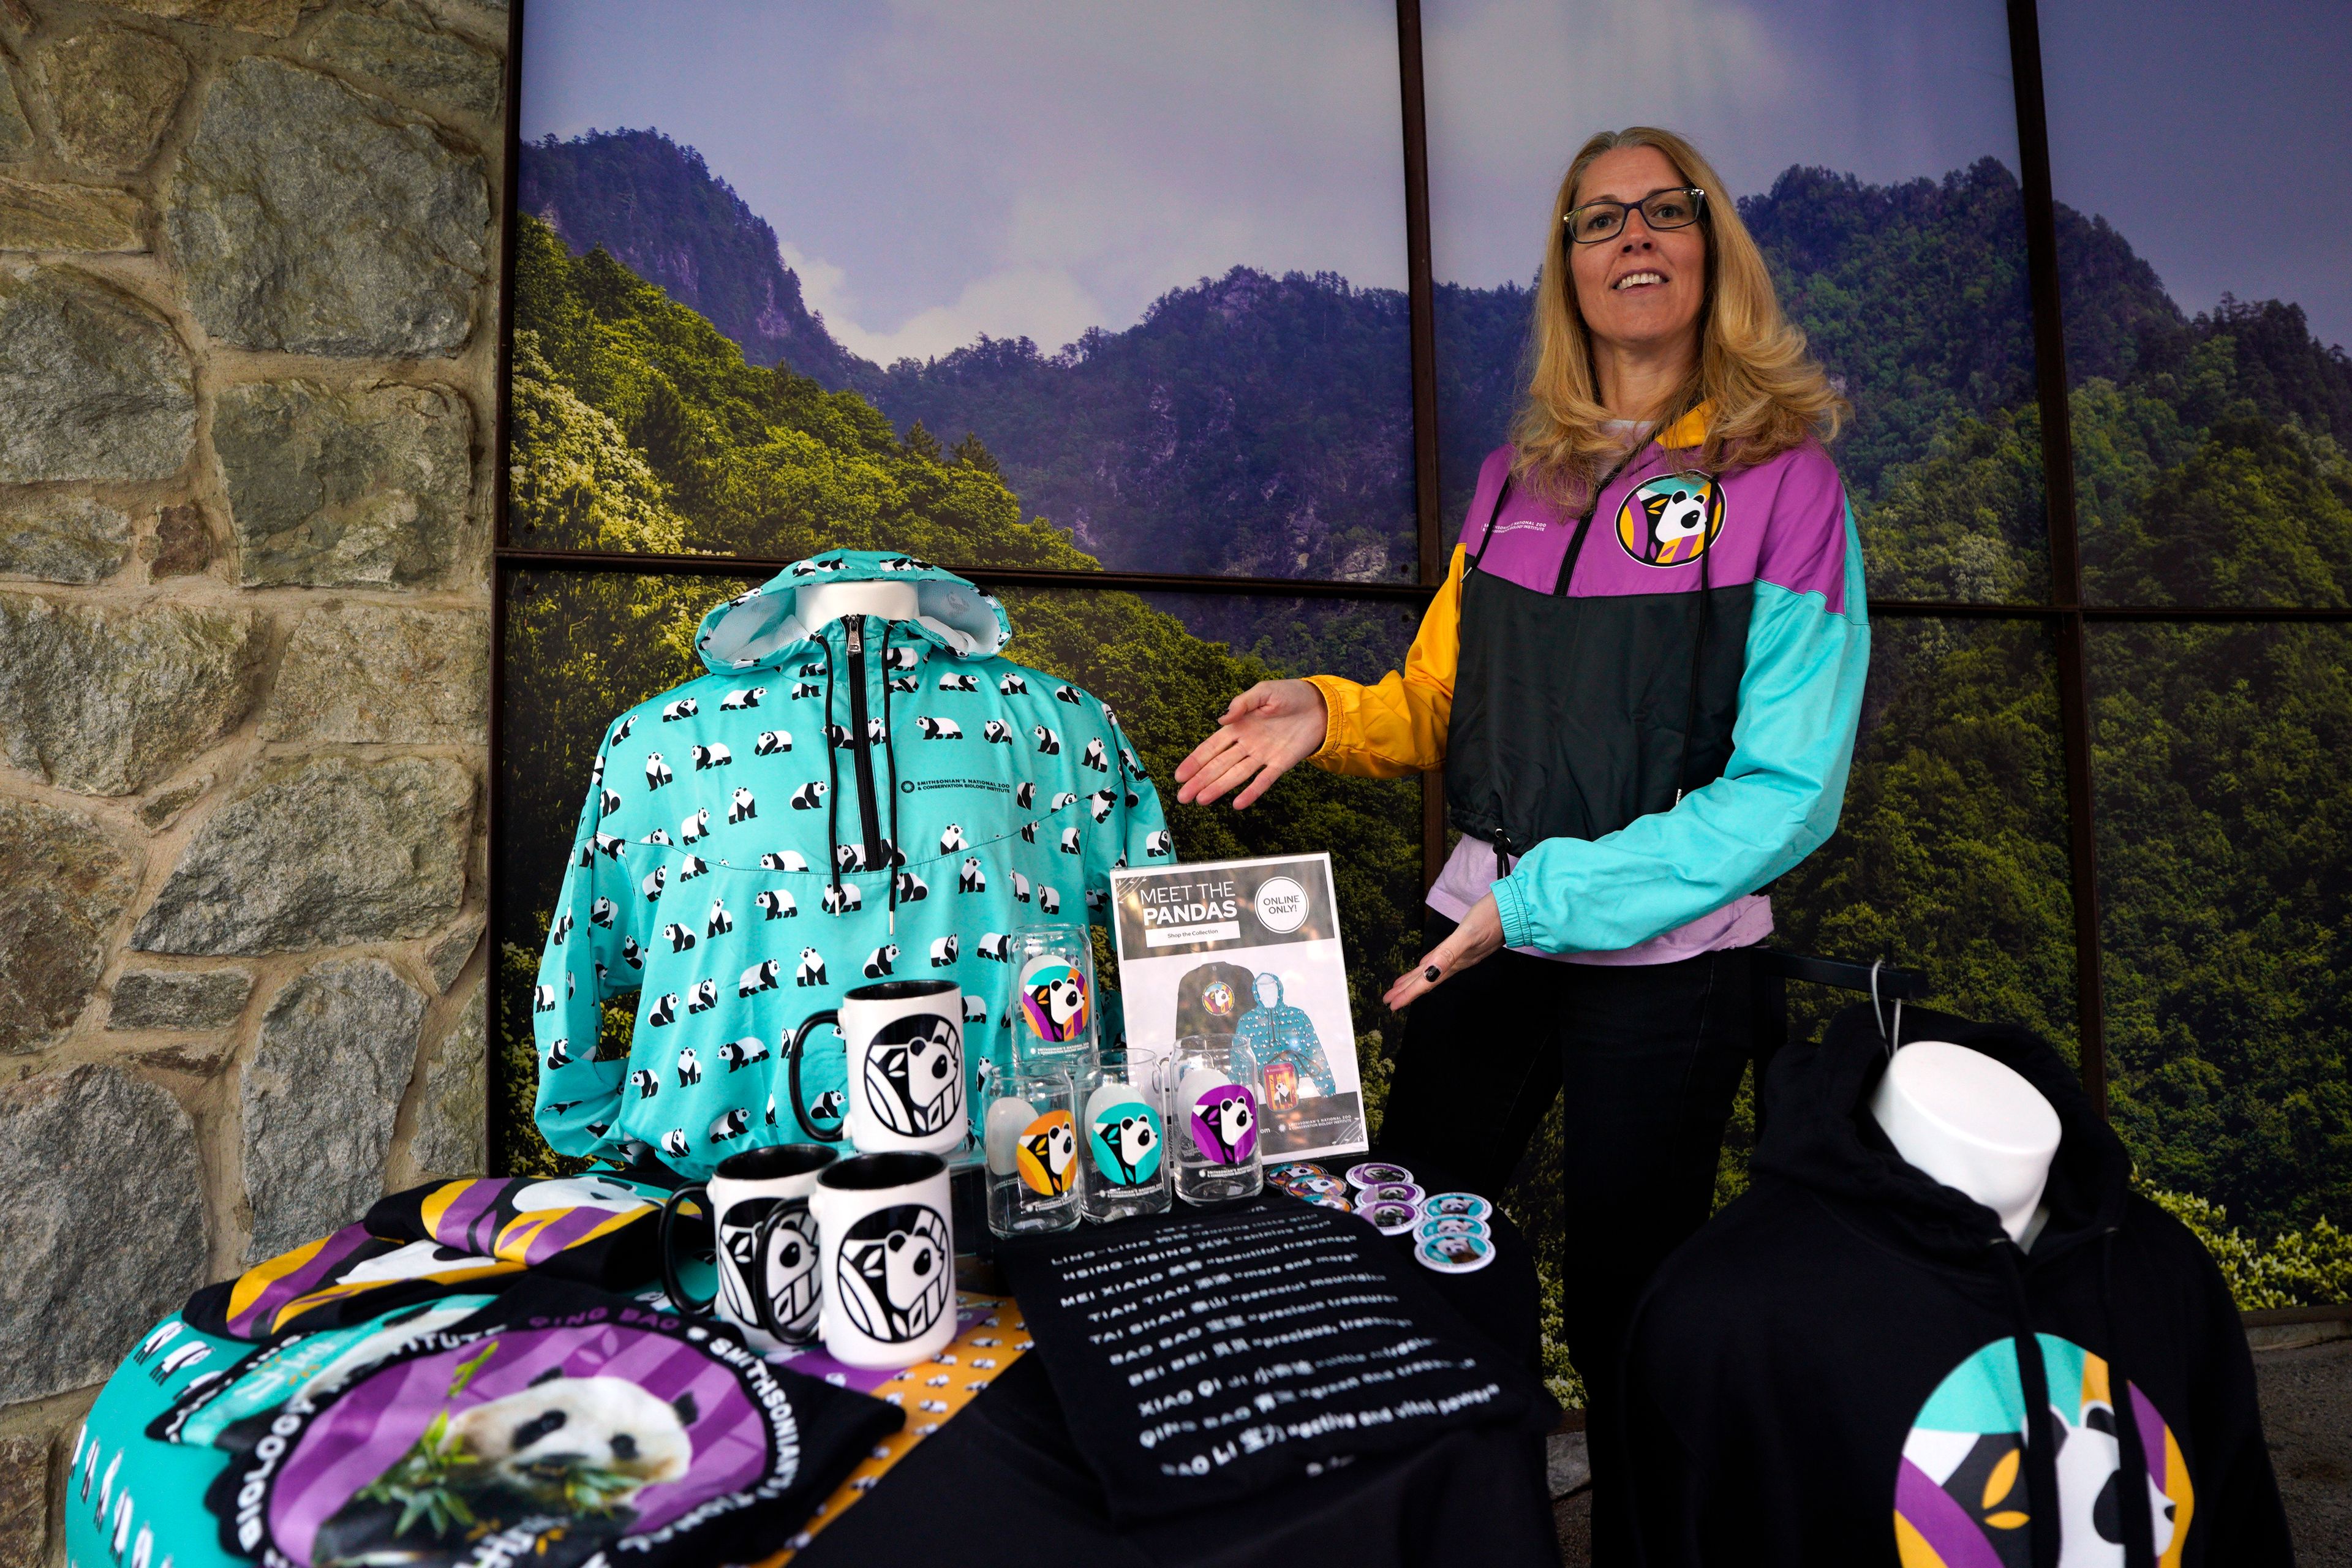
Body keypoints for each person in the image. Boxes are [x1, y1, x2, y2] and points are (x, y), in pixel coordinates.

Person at [1174, 126, 1868, 1561]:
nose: (1631, 238)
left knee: (1635, 1294)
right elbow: (1446, 698)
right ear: (1566, 264)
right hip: (1485, 929)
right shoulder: (1513, 477)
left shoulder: (1790, 483)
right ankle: (1440, 1533)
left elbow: (1790, 789)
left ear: (1709, 244)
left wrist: (1551, 897)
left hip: (1667, 959)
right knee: (1418, 1239)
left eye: (1661, 212)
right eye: (1596, 218)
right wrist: (1325, 709)